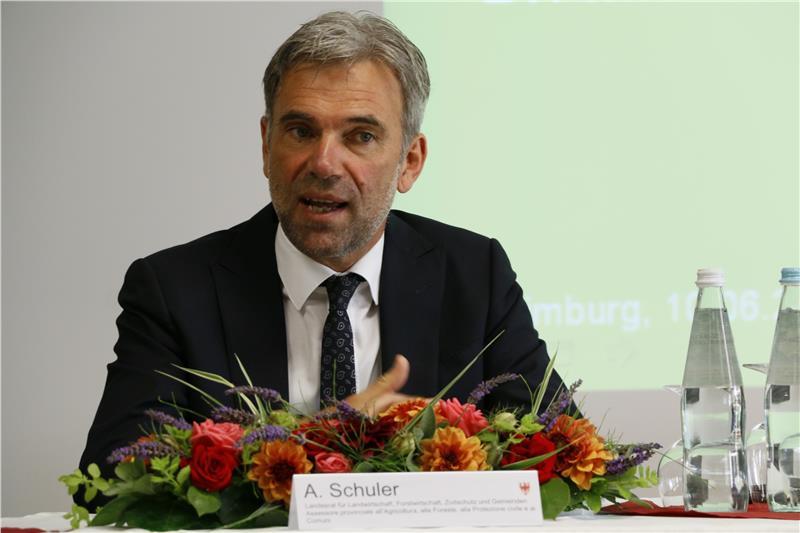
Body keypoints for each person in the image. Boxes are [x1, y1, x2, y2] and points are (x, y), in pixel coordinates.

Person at [79, 10, 567, 491]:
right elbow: (109, 476)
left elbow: (564, 455)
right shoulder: (175, 290)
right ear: (266, 144)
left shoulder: (474, 275)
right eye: (301, 131)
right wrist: (324, 441)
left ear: (410, 161)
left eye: (361, 136)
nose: (324, 163)